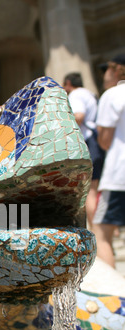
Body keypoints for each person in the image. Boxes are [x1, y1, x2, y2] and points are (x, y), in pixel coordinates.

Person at [92, 53, 125, 268]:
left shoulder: (112, 95)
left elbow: (104, 140)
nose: (104, 75)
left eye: (106, 70)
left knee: (100, 232)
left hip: (119, 173)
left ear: (116, 70)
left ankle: (116, 296)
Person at [63, 72, 106, 230]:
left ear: (68, 83)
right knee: (94, 190)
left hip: (87, 144)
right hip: (95, 145)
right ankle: (100, 230)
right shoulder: (90, 94)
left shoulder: (76, 94)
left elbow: (79, 116)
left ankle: (96, 232)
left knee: (88, 193)